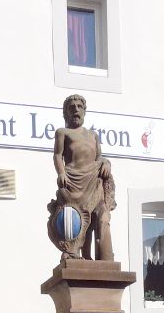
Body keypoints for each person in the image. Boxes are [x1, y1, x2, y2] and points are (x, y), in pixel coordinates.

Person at [48, 94, 115, 260]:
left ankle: (102, 258)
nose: (76, 110)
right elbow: (57, 155)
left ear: (84, 111)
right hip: (72, 181)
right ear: (66, 113)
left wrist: (106, 163)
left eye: (79, 107)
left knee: (98, 218)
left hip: (94, 180)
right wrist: (61, 173)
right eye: (72, 107)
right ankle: (74, 252)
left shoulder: (93, 135)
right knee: (77, 220)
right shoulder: (62, 132)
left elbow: (99, 157)